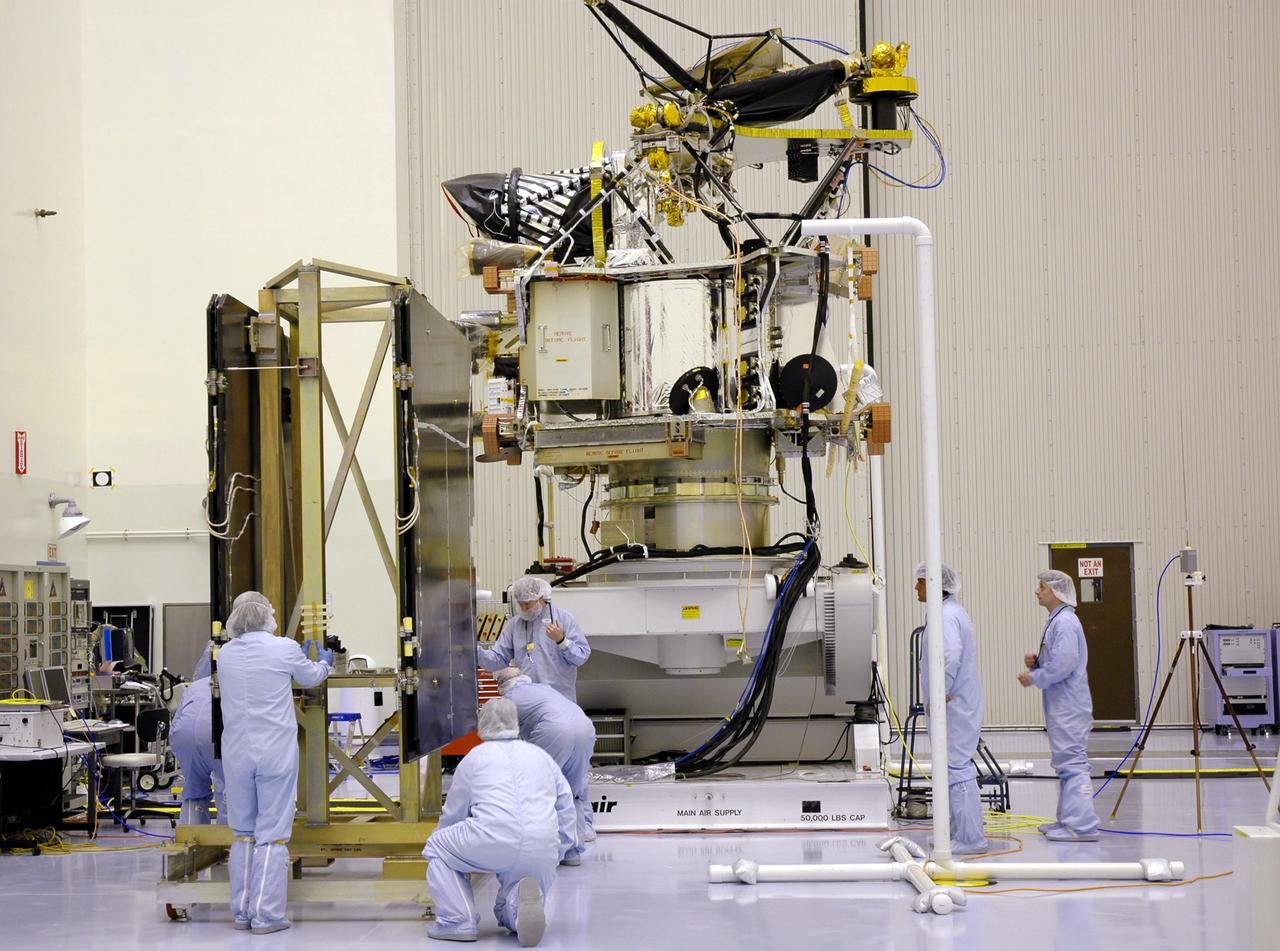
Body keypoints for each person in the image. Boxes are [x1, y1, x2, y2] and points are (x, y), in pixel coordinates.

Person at [217, 591, 333, 934]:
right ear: (267, 615)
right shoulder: (283, 647)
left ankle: (241, 911)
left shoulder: (224, 654)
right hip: (275, 753)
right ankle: (266, 915)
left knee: (243, 833)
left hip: (237, 754)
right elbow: (310, 677)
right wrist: (325, 662)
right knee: (272, 835)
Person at [422, 698, 575, 946]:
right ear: (516, 723)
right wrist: (560, 849)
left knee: (437, 846)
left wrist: (454, 846)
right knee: (512, 897)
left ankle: (458, 921)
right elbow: (566, 804)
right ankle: (516, 914)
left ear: (482, 724)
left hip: (492, 838)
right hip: (543, 846)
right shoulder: (541, 756)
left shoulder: (474, 758)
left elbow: (454, 812)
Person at [1018, 569, 1099, 842]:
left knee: (1074, 764)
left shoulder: (1065, 622)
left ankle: (1083, 826)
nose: (1037, 592)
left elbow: (1064, 665)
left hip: (1069, 705)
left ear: (1054, 591)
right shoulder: (1057, 621)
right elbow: (1060, 659)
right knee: (1065, 764)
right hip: (1062, 703)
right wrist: (1038, 663)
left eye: (1041, 587)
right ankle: (1067, 820)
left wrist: (1034, 677)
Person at [914, 561, 988, 855]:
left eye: (919, 582)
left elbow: (948, 654)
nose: (915, 587)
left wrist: (940, 691)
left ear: (933, 584)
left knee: (957, 767)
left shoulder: (945, 616)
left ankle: (970, 839)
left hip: (953, 705)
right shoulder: (947, 612)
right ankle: (956, 832)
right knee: (951, 766)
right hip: (955, 702)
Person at [493, 667, 598, 860]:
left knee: (540, 790)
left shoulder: (509, 700)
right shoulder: (545, 689)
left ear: (501, 686)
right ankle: (573, 852)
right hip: (585, 729)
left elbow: (501, 740)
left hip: (554, 732)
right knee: (572, 791)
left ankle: (540, 852)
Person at [477, 576, 590, 702]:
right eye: (520, 603)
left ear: (540, 598)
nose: (524, 608)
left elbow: (581, 657)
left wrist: (562, 641)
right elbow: (498, 659)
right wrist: (474, 651)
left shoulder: (563, 619)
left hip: (559, 699)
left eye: (527, 603)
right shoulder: (515, 625)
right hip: (528, 700)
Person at [170, 674, 223, 825]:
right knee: (229, 790)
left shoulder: (196, 685)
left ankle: (192, 841)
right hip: (216, 736)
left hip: (183, 737)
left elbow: (177, 720)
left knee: (194, 793)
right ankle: (228, 843)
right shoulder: (239, 681)